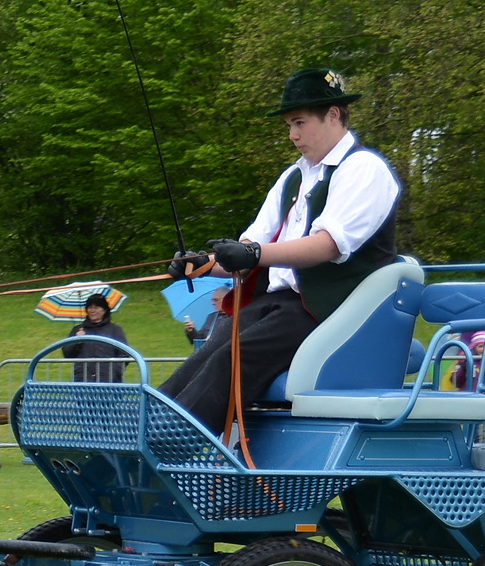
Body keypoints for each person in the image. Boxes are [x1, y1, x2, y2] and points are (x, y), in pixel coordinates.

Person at [158, 68, 401, 434]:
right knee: (207, 354)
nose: (293, 135)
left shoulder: (365, 169)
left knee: (232, 358)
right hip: (283, 303)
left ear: (333, 115)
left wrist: (254, 255)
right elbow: (247, 248)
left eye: (300, 123)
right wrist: (204, 264)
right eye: (289, 125)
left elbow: (326, 245)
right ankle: (138, 432)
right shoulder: (294, 177)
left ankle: (167, 443)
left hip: (337, 309)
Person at [63, 293, 130, 382]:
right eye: (90, 307)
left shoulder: (115, 330)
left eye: (96, 307)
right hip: (83, 379)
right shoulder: (78, 330)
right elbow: (67, 354)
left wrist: (114, 370)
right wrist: (77, 340)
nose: (92, 310)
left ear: (104, 310)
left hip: (109, 380)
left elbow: (124, 354)